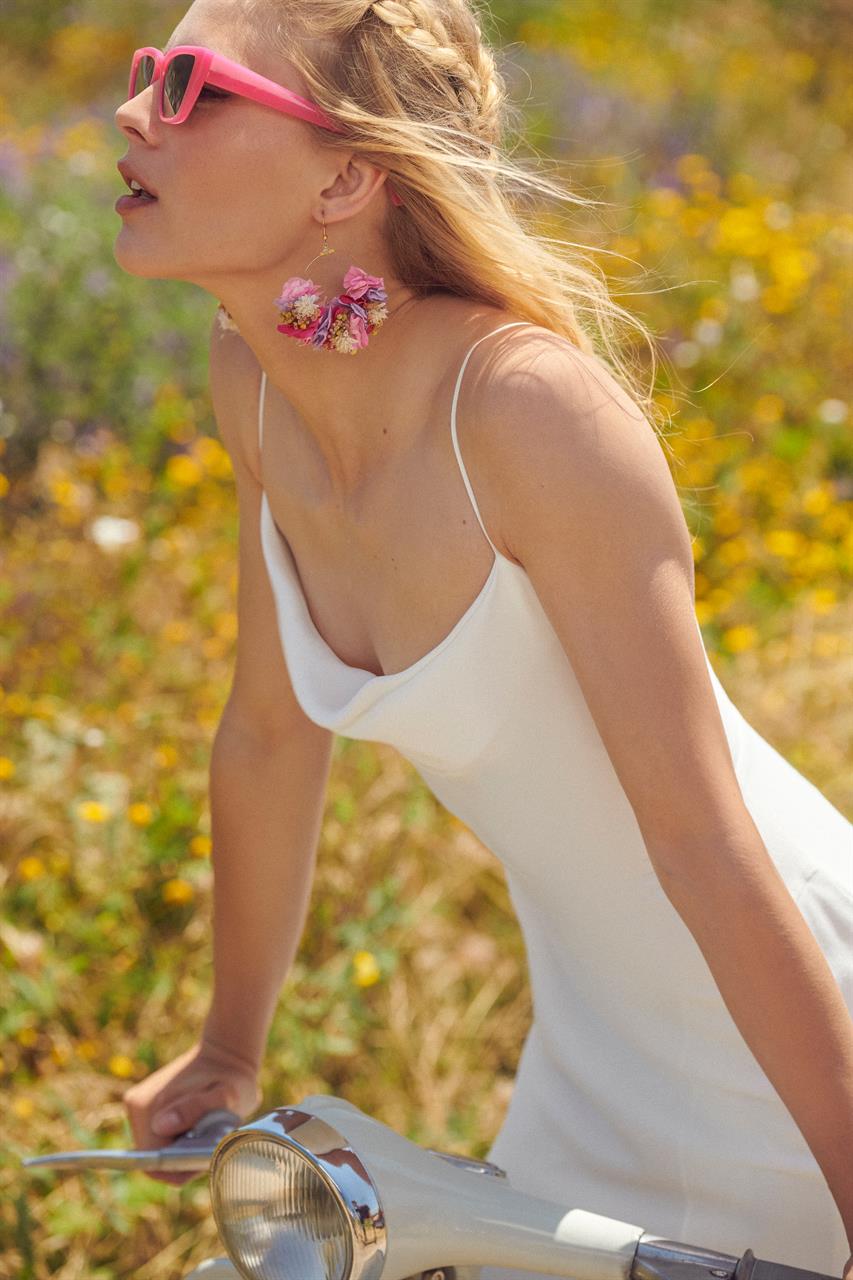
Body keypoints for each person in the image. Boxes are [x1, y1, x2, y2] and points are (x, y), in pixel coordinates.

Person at [112, 1, 853, 1273]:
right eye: (144, 71)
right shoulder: (257, 382)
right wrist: (230, 1043)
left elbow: (702, 843)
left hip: (796, 1031)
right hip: (593, 1050)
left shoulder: (524, 412)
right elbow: (271, 731)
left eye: (193, 84)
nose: (132, 111)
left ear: (346, 176)